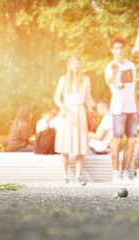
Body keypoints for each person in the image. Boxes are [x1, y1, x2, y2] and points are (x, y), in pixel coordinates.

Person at [105, 36, 139, 183]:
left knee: (132, 141)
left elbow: (131, 87)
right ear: (112, 51)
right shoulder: (110, 66)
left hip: (131, 109)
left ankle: (126, 172)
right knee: (117, 141)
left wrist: (138, 106)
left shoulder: (131, 65)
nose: (119, 50)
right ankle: (116, 174)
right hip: (118, 109)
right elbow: (109, 80)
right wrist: (115, 73)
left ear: (124, 49)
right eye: (116, 48)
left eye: (121, 47)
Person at [54, 55, 93, 184]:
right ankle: (64, 175)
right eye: (73, 64)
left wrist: (91, 112)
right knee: (65, 144)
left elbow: (87, 98)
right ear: (70, 66)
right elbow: (56, 97)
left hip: (80, 111)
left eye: (77, 64)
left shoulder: (86, 79)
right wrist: (62, 107)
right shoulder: (64, 79)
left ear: (80, 65)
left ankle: (78, 175)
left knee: (80, 145)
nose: (75, 66)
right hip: (67, 111)